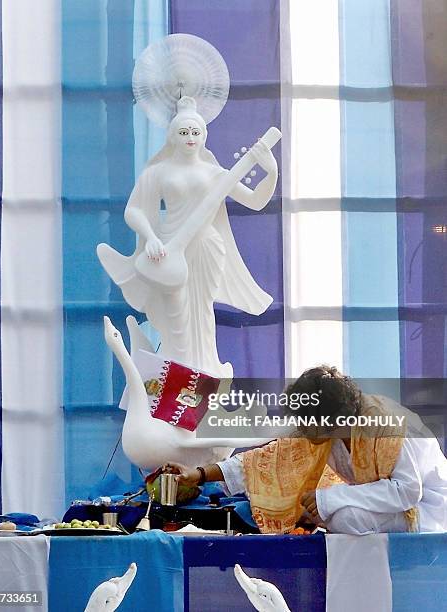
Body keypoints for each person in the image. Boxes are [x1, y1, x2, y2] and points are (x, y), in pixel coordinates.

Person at [97, 96, 278, 377]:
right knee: (175, 319)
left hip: (206, 247)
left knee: (203, 313)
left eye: (196, 132)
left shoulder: (215, 173)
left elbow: (255, 200)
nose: (190, 138)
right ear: (172, 136)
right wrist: (151, 237)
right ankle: (176, 387)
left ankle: (204, 378)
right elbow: (133, 211)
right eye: (183, 132)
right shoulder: (158, 172)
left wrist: (271, 172)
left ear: (204, 136)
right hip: (167, 248)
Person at [159, 365, 447, 535]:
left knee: (344, 516)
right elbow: (264, 459)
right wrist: (197, 475)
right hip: (387, 510)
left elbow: (408, 491)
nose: (300, 429)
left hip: (425, 510)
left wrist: (331, 498)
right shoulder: (324, 429)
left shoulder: (388, 426)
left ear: (331, 421)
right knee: (336, 515)